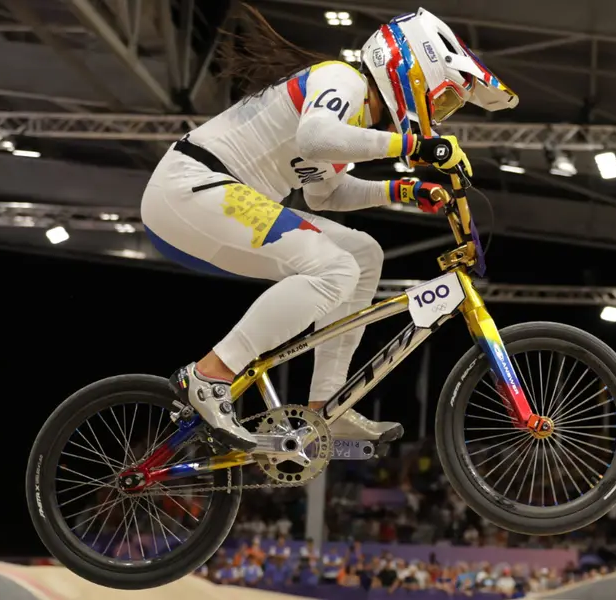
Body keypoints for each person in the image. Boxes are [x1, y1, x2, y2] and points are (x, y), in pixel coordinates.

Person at [141, 5, 517, 451]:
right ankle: (209, 375)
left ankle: (325, 407)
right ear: (412, 71)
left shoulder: (354, 122)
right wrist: (416, 145)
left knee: (363, 254)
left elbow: (326, 194)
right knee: (335, 269)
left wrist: (402, 191)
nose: (440, 115)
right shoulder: (342, 79)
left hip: (214, 197)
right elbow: (315, 139)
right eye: (444, 99)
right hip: (193, 187)